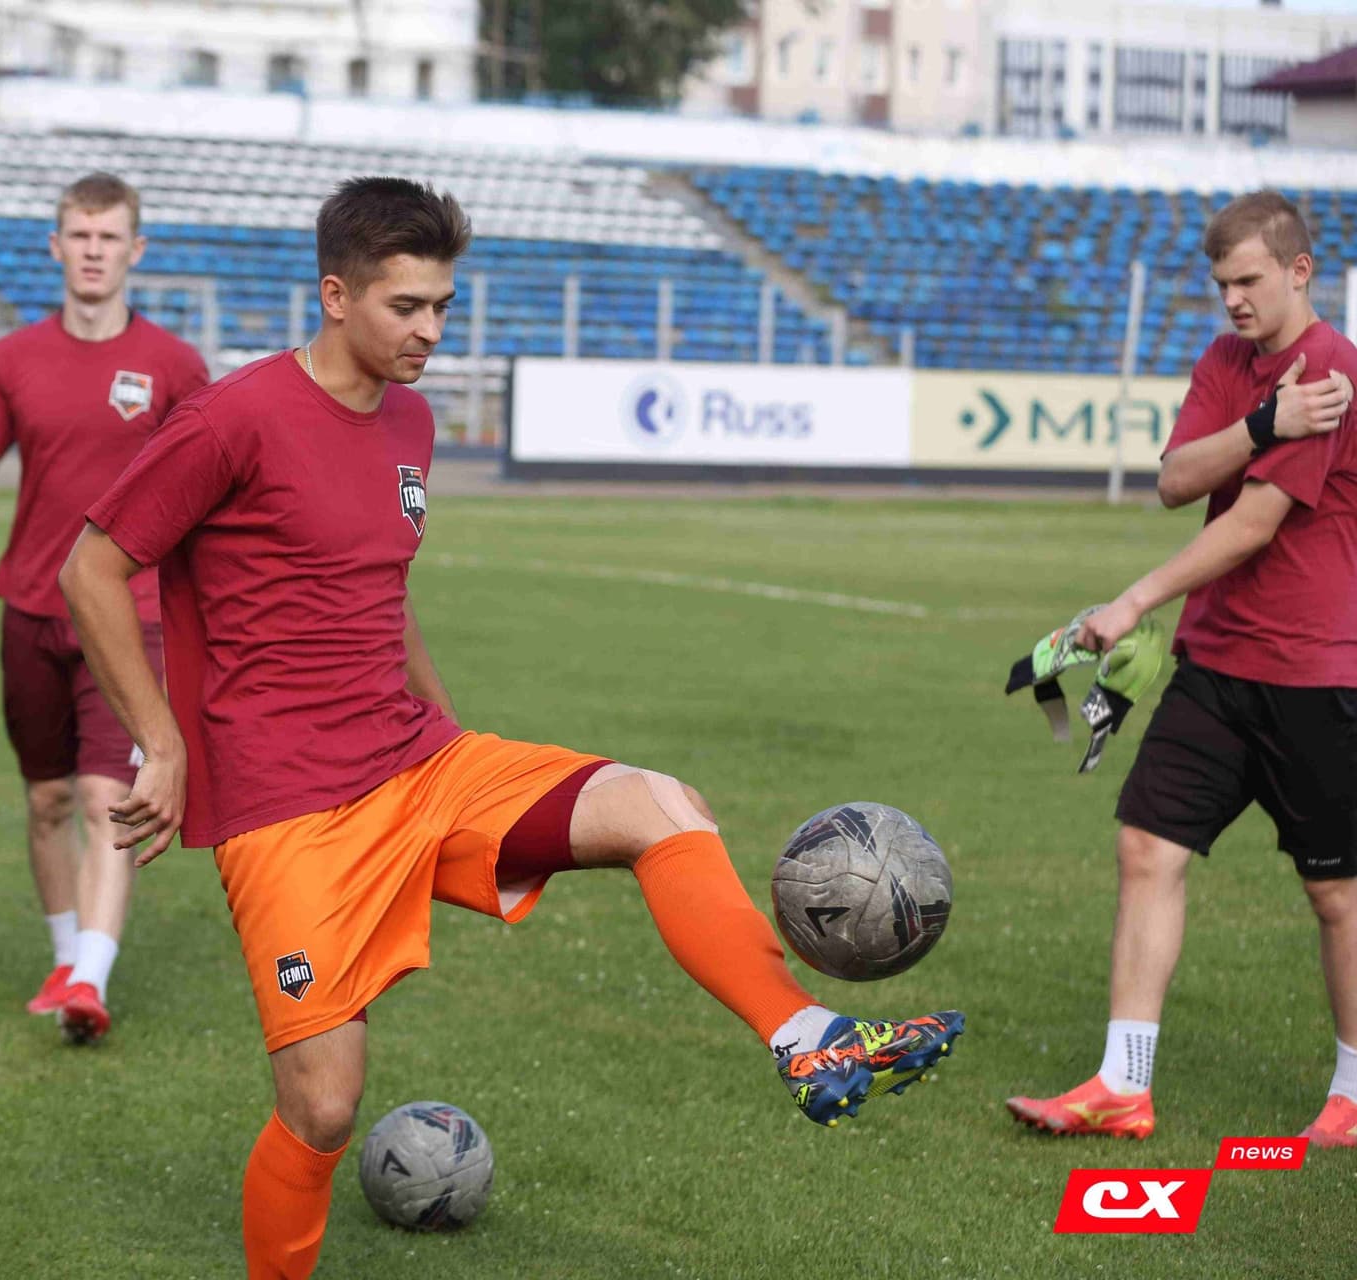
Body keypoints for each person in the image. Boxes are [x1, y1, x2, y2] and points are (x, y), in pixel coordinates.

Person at [60, 176, 965, 1277]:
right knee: (325, 1106)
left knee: (658, 800)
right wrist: (161, 739)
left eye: (444, 304)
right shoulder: (232, 417)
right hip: (289, 808)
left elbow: (378, 593)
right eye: (407, 306)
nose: (432, 331)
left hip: (420, 764)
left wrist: (442, 727)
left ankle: (805, 1037)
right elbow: (94, 566)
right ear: (336, 294)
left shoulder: (412, 418)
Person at [1007, 190, 1357, 1146]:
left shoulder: (1330, 371)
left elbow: (1249, 523)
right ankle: (1124, 1086)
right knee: (1146, 849)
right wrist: (1258, 425)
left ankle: (1356, 1094)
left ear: (1299, 271)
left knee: (1336, 891)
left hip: (1313, 673)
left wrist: (1131, 603)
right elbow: (1175, 480)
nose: (1233, 300)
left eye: (1249, 281)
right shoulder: (1227, 362)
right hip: (1216, 665)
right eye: (1220, 284)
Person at [0, 173, 208, 1042]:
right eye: (80, 236)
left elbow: (210, 490)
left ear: (135, 250)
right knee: (46, 802)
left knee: (110, 793)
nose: (95, 251)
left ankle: (91, 985)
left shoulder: (176, 366)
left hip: (129, 613)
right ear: (57, 247)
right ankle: (67, 960)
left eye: (110, 238)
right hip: (28, 608)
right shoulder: (13, 360)